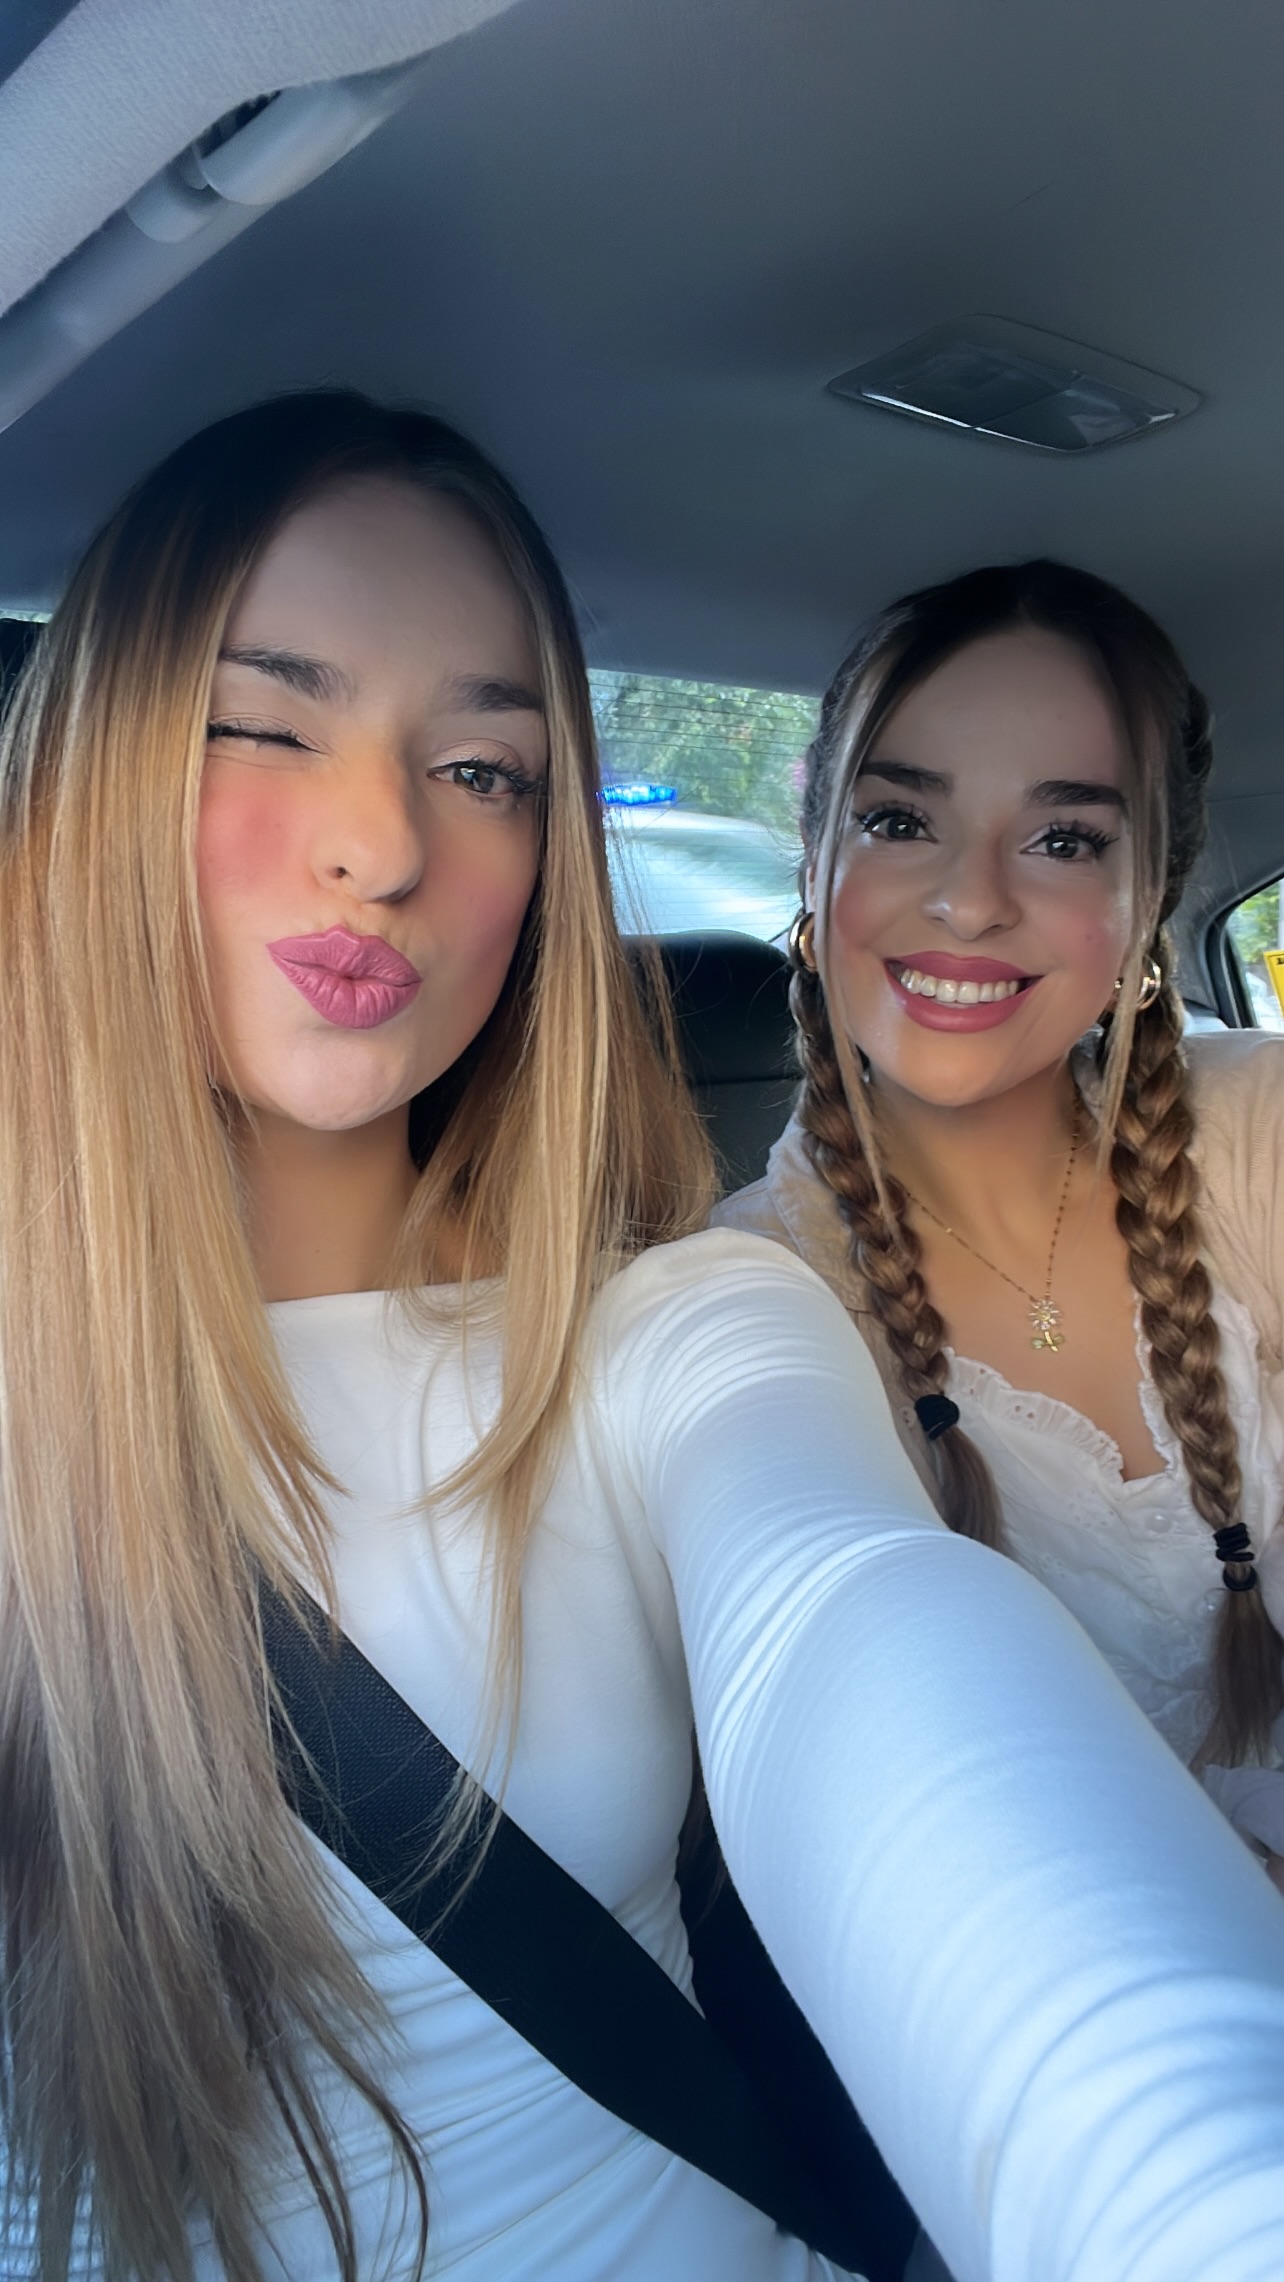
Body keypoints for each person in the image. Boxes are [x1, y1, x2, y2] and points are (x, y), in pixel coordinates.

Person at [4, 407, 1284, 2282]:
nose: (382, 841)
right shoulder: (788, 1255)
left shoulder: (677, 1322)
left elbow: (849, 1616)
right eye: (263, 725)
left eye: (484, 768)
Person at [715, 559, 1284, 1887]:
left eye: (1064, 838)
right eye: (899, 819)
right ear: (817, 864)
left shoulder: (1255, 1129)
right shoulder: (745, 1300)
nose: (971, 900)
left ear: (1149, 903)